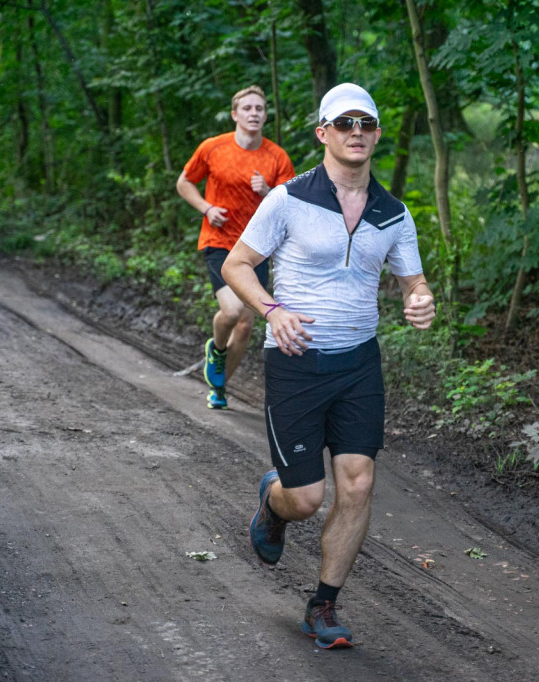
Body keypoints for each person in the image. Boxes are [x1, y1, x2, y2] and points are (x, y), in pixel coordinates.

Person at [221, 83, 436, 649]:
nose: (356, 132)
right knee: (307, 498)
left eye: (366, 123)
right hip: (295, 364)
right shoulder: (288, 199)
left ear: (377, 135)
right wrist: (272, 309)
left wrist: (419, 300)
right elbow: (237, 265)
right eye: (344, 124)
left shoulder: (393, 213)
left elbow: (412, 281)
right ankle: (274, 502)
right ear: (323, 133)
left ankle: (324, 605)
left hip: (359, 363)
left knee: (359, 484)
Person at [177, 85, 296, 409]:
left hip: (257, 248)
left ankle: (220, 388)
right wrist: (206, 208)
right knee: (232, 311)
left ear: (265, 114)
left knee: (245, 323)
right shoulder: (213, 148)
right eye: (247, 108)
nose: (254, 113)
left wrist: (269, 189)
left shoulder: (277, 157)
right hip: (219, 242)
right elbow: (183, 182)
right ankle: (216, 349)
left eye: (259, 108)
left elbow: (291, 206)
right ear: (235, 114)